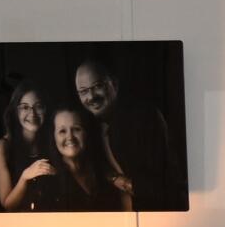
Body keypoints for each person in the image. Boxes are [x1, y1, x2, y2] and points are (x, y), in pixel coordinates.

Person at [75, 58, 182, 210]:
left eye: (98, 86)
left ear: (115, 85)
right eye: (84, 91)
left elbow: (166, 185)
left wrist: (120, 181)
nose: (91, 97)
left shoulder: (145, 117)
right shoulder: (89, 127)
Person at [0, 84, 67, 211]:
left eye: (39, 106)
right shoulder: (1, 148)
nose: (32, 113)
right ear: (15, 111)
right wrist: (25, 176)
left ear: (46, 109)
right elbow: (8, 204)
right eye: (25, 107)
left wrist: (57, 174)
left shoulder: (53, 139)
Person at [47, 105, 134, 209]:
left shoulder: (102, 173)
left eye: (76, 129)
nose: (70, 137)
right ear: (54, 137)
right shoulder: (49, 180)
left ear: (85, 133)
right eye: (62, 131)